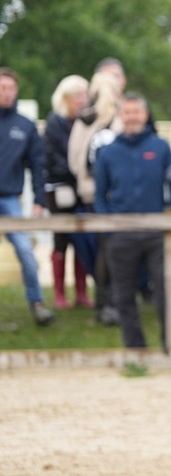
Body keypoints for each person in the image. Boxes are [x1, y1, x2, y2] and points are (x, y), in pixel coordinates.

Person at [92, 94, 171, 350]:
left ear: (144, 114)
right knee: (123, 294)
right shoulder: (107, 152)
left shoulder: (160, 147)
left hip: (156, 233)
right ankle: (135, 347)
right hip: (121, 234)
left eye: (136, 111)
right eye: (127, 112)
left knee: (166, 290)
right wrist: (109, 227)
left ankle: (170, 343)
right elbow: (100, 194)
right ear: (121, 115)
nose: (132, 116)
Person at [67, 69, 124, 326]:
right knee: (108, 249)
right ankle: (108, 303)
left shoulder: (84, 120)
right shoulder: (117, 120)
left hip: (94, 193)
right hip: (110, 195)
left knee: (106, 248)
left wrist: (85, 183)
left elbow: (74, 159)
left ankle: (108, 303)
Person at [0, 67, 55, 326]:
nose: (6, 93)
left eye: (10, 88)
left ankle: (37, 304)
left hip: (11, 199)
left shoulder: (24, 125)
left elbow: (37, 165)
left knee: (26, 251)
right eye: (2, 88)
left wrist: (39, 201)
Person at [43, 74, 92, 309]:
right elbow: (52, 157)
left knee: (82, 239)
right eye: (78, 95)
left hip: (81, 189)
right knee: (61, 239)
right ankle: (60, 293)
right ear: (66, 98)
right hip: (60, 189)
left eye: (85, 95)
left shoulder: (86, 122)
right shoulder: (55, 123)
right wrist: (75, 170)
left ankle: (82, 292)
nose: (83, 100)